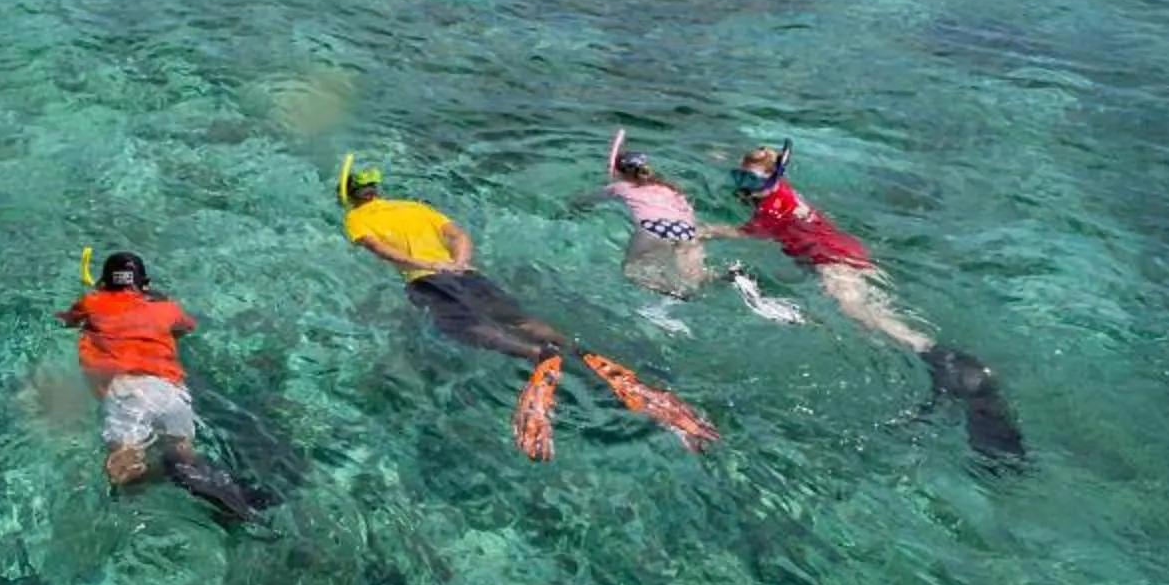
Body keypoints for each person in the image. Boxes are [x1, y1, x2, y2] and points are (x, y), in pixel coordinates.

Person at [339, 156, 716, 459]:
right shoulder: (414, 207)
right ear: (376, 189)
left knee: (464, 329)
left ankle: (540, 357)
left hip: (427, 279)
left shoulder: (356, 217)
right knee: (520, 319)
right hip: (469, 273)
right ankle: (581, 354)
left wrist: (428, 267)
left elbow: (375, 246)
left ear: (351, 197)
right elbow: (458, 234)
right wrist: (459, 262)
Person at [700, 141, 1025, 462]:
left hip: (830, 262)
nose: (745, 186)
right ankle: (934, 355)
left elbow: (746, 233)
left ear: (772, 180)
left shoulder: (770, 207)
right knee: (877, 313)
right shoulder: (782, 191)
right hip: (846, 250)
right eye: (741, 177)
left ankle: (938, 357)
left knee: (861, 314)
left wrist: (704, 230)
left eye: (752, 181)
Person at [59, 250, 267, 525]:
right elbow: (186, 328)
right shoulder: (166, 307)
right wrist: (153, 301)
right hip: (171, 391)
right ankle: (235, 500)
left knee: (123, 467)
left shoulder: (91, 301)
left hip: (128, 390)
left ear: (104, 283)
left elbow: (67, 321)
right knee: (183, 454)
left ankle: (149, 494)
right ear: (144, 284)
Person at [597, 130, 710, 298]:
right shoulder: (671, 188)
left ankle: (672, 293)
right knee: (697, 277)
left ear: (621, 173)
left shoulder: (618, 187)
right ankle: (727, 278)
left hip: (654, 227)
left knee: (631, 272)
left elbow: (580, 203)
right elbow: (690, 214)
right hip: (686, 230)